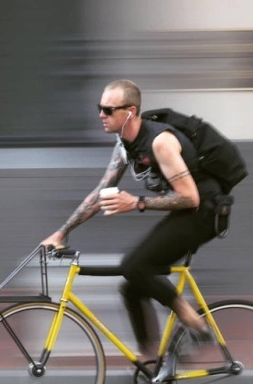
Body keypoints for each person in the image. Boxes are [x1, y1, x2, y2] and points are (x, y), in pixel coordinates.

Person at [42, 79, 221, 358]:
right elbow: (101, 192)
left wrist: (136, 202)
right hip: (186, 213)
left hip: (205, 212)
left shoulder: (160, 142)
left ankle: (197, 326)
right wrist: (61, 232)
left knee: (133, 265)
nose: (101, 114)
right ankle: (149, 361)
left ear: (131, 111)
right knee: (131, 286)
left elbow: (191, 197)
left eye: (108, 109)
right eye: (99, 108)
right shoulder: (125, 145)